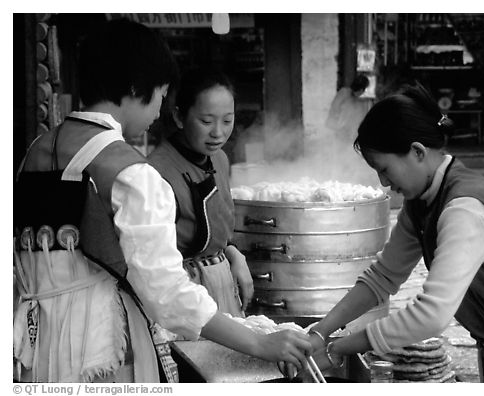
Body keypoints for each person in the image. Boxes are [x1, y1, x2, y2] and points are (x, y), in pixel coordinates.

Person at [13, 18, 311, 383]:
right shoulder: (129, 171)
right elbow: (167, 292)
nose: (158, 113)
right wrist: (261, 344)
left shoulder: (34, 152)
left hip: (34, 346)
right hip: (104, 352)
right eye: (159, 96)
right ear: (138, 87)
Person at [294, 83, 484, 383]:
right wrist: (321, 330)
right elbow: (382, 278)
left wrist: (339, 348)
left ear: (418, 152)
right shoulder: (421, 203)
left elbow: (432, 315)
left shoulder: (463, 209)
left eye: (384, 169)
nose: (384, 182)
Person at [148, 69, 251, 318]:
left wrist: (232, 253)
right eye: (206, 121)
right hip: (182, 290)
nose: (218, 132)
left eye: (227, 120)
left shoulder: (220, 159)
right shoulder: (156, 172)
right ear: (179, 117)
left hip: (222, 278)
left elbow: (220, 225)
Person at [325, 74, 371, 145]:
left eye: (362, 90)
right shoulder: (344, 93)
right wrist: (337, 126)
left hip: (355, 134)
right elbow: (334, 109)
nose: (362, 92)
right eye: (361, 89)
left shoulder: (365, 101)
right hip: (341, 131)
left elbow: (365, 117)